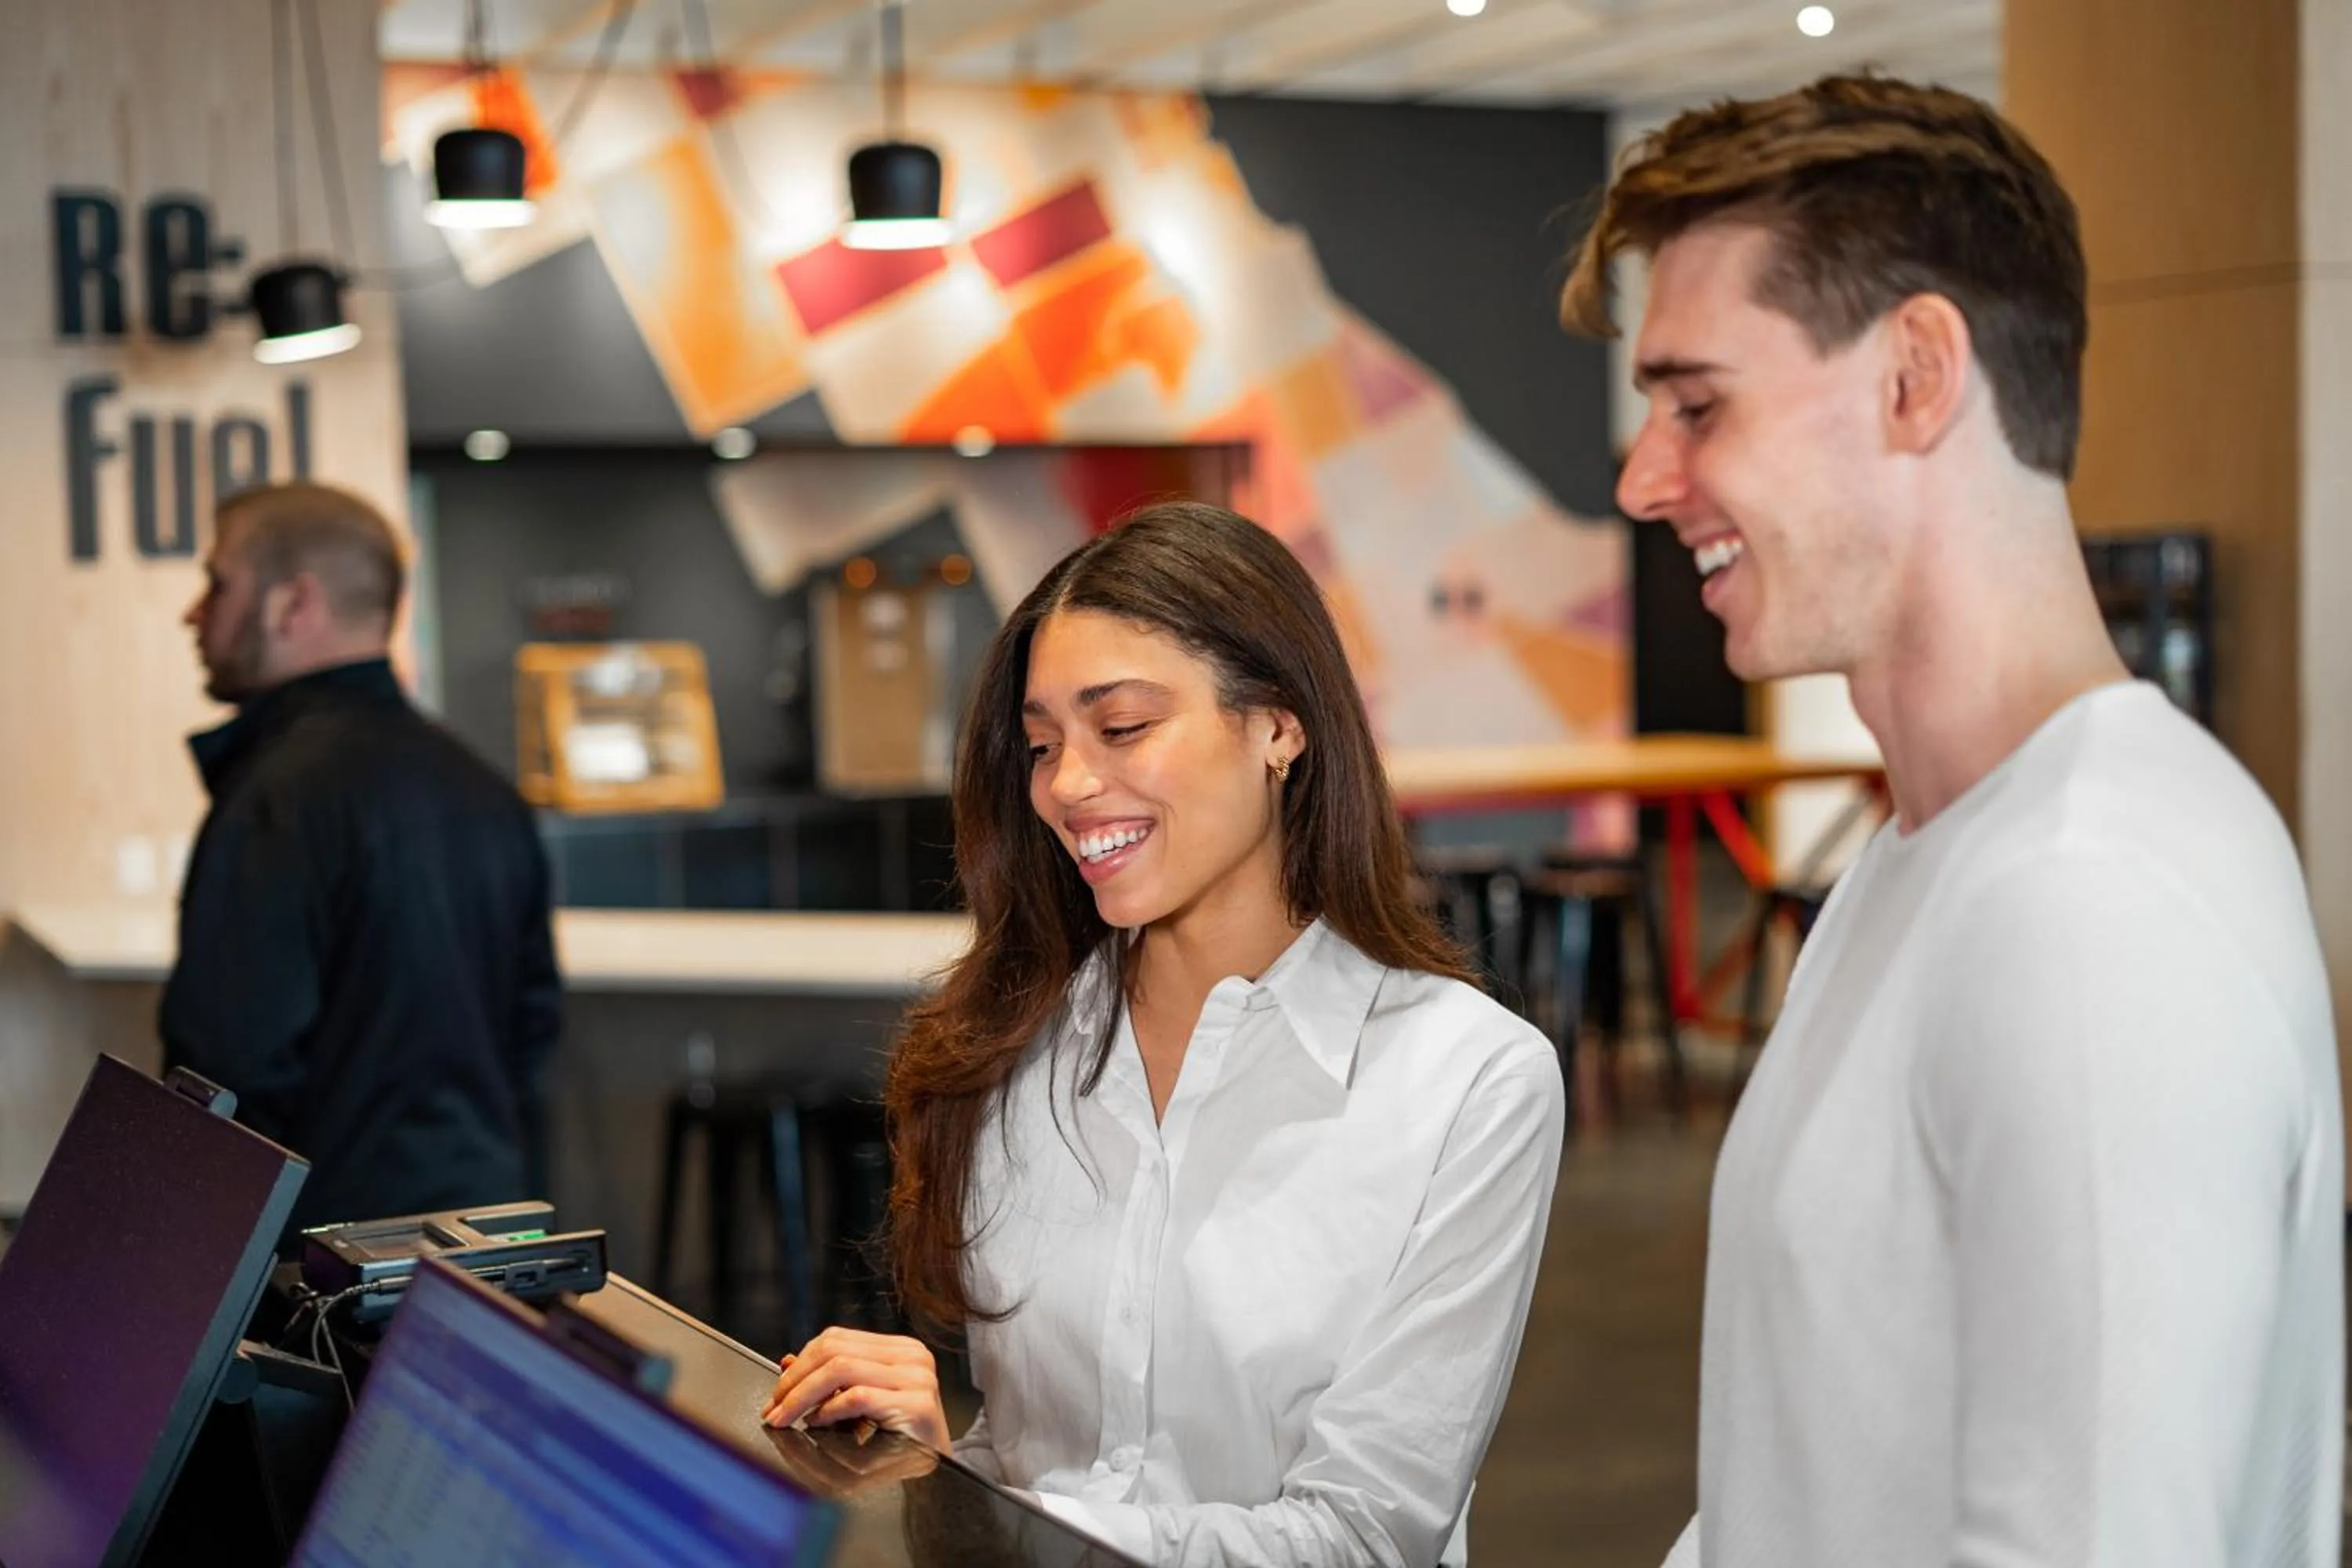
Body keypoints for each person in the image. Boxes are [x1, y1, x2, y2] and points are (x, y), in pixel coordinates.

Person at [1561, 74, 2343, 1567]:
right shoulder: (1929, 859)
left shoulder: (2092, 904)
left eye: (1698, 405)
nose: (1646, 480)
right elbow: (1799, 1490)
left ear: (1917, 377)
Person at [760, 502, 1566, 1566]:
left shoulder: (1471, 1079)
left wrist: (1007, 1526)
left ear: (1278, 726)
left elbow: (1366, 1535)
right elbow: (1048, 1455)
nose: (1068, 784)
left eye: (1124, 727)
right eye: (1043, 745)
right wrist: (940, 1469)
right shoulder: (1014, 1047)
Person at [162, 481, 561, 1247]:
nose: (195, 611)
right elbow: (531, 1038)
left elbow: (227, 1073)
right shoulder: (486, 791)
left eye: (217, 582)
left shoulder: (278, 795)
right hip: (480, 1246)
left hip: (317, 1268)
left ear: (293, 603)